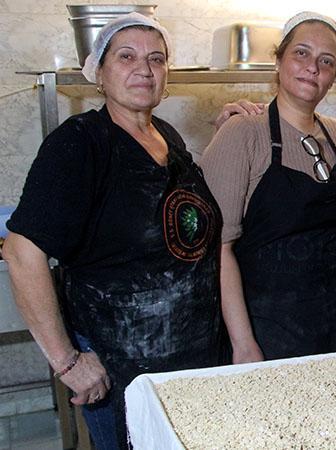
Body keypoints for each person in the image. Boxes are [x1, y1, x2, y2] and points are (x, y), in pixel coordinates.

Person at [3, 13, 222, 449]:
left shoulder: (168, 137)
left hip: (193, 357)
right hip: (122, 369)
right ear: (99, 73)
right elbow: (21, 252)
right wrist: (68, 362)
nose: (144, 69)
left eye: (156, 59)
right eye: (126, 57)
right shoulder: (80, 143)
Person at [200, 12, 336, 363]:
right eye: (301, 53)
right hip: (268, 334)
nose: (312, 68)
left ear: (334, 76)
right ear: (278, 60)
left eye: (326, 61)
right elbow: (218, 249)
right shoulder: (243, 132)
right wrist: (244, 344)